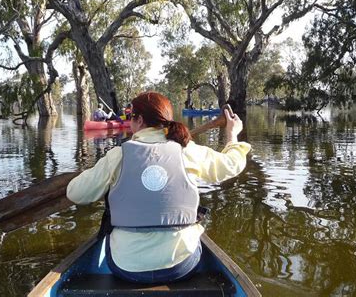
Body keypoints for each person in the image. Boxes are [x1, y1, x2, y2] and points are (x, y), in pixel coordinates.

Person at [67, 92, 250, 284]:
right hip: (181, 266)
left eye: (131, 118)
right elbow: (232, 164)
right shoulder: (188, 150)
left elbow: (75, 193)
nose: (129, 123)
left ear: (139, 120)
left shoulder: (116, 156)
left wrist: (97, 174)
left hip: (126, 267)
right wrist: (232, 135)